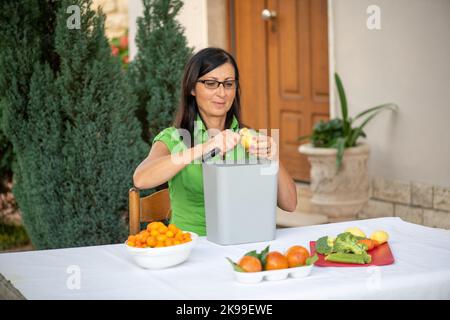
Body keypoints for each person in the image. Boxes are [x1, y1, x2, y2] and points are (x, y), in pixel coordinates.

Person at [133, 47, 297, 236]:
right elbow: (141, 179)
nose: (222, 93)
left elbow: (290, 204)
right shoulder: (173, 138)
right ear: (192, 88)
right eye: (211, 83)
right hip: (191, 245)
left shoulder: (250, 138)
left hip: (242, 241)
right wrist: (206, 146)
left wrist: (274, 158)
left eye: (228, 84)